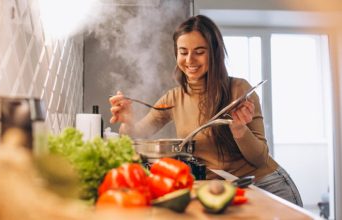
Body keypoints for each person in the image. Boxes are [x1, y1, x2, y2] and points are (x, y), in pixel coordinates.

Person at [109, 15, 303, 207]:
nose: (190, 59)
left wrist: (240, 130)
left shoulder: (239, 90)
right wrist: (128, 120)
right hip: (222, 190)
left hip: (265, 185)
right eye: (183, 52)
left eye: (199, 51)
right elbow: (136, 135)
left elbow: (260, 158)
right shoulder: (173, 98)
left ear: (214, 53)